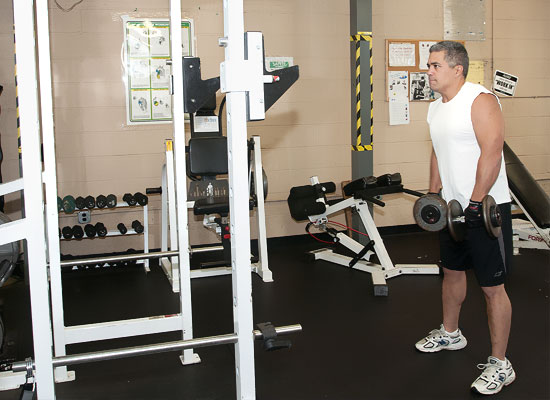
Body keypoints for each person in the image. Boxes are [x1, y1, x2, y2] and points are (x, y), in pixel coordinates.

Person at [414, 41, 515, 395]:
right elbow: (438, 151)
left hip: (486, 208)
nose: (429, 71)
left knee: (492, 287)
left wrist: (475, 203)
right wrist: (432, 194)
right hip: (451, 208)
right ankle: (451, 333)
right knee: (452, 273)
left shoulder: (480, 100)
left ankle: (501, 364)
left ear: (457, 69)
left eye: (435, 65)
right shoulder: (435, 109)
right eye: (429, 65)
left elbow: (492, 151)